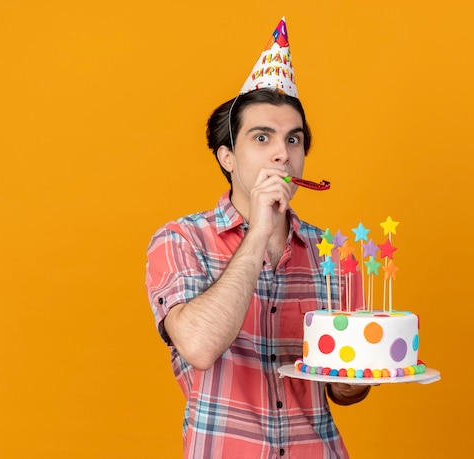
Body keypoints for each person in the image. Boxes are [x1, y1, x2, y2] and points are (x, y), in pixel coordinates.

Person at [146, 18, 371, 458]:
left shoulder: (333, 254)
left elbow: (347, 392)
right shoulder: (179, 241)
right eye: (262, 137)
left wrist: (354, 380)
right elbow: (199, 347)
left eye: (294, 139)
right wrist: (260, 231)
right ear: (227, 157)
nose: (282, 153)